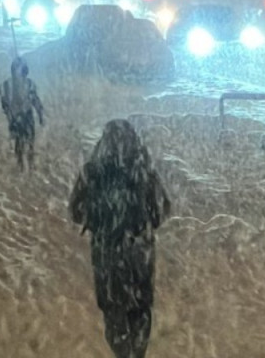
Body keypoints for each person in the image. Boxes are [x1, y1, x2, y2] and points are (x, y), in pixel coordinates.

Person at [70, 119, 170, 358]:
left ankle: (122, 352)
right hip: (139, 250)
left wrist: (98, 222)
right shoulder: (144, 171)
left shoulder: (91, 172)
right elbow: (162, 209)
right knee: (141, 307)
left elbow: (75, 212)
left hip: (106, 251)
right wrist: (145, 226)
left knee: (113, 308)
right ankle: (138, 351)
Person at [0, 57, 45, 171]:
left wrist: (40, 114)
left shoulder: (25, 84)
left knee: (27, 142)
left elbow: (35, 100)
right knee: (22, 142)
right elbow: (4, 103)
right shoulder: (8, 85)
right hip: (18, 117)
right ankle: (23, 165)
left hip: (23, 116)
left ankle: (27, 165)